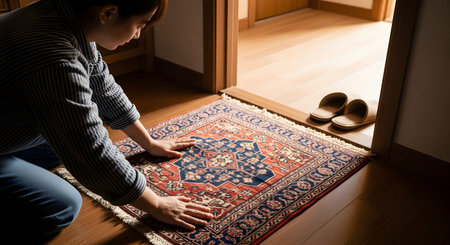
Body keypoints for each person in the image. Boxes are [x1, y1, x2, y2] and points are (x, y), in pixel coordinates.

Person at [0, 0, 213, 240]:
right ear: (108, 13)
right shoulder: (54, 59)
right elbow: (90, 151)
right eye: (140, 25)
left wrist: (150, 143)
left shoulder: (64, 15)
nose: (137, 35)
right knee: (62, 206)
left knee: (58, 144)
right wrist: (156, 205)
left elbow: (104, 87)